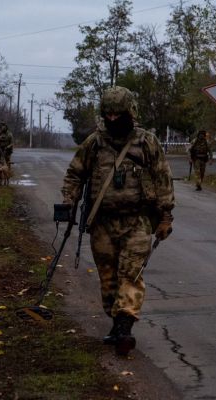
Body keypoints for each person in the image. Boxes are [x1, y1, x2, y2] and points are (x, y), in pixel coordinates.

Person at [61, 86, 175, 356]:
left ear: (130, 112)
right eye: (108, 114)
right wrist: (68, 203)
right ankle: (116, 324)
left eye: (118, 114)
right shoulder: (95, 143)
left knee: (131, 274)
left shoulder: (146, 142)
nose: (113, 119)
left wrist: (166, 215)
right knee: (109, 279)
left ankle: (124, 328)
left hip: (137, 222)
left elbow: (162, 179)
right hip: (102, 223)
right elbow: (75, 174)